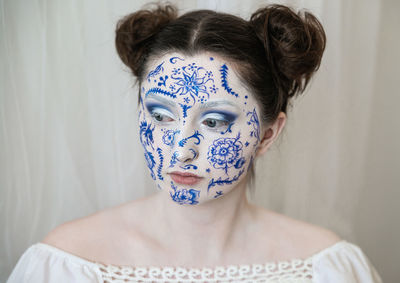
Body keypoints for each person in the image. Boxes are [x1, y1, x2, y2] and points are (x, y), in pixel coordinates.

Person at [7, 3, 382, 282]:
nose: (181, 148)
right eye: (160, 116)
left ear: (268, 134)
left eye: (215, 121)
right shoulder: (66, 264)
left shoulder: (326, 267)